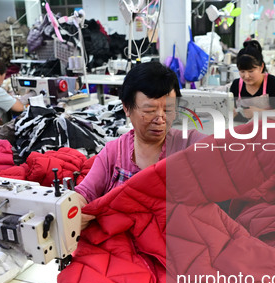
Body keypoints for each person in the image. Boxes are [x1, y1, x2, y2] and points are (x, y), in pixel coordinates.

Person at [74, 61, 208, 227]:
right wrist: (74, 212)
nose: (160, 119)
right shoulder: (113, 153)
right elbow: (84, 194)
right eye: (149, 111)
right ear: (127, 108)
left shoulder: (189, 144)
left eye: (168, 110)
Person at [229, 40, 275, 121]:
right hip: (242, 129)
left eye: (251, 71)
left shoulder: (274, 83)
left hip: (268, 130)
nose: (246, 76)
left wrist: (259, 112)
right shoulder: (236, 85)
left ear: (261, 67)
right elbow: (232, 110)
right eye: (242, 71)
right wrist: (231, 114)